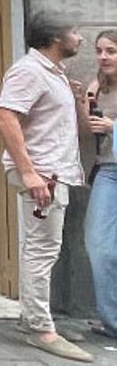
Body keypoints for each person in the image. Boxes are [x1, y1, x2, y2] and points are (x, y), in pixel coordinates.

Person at [0, 12, 93, 363]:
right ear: (55, 37)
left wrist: (78, 101)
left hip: (54, 172)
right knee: (41, 250)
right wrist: (30, 173)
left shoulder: (54, 73)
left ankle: (34, 317)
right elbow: (6, 116)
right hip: (44, 175)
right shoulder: (29, 71)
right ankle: (40, 328)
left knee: (41, 247)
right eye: (74, 31)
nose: (80, 39)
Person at [85, 30, 117, 341]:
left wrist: (113, 127)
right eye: (99, 50)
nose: (104, 56)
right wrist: (82, 98)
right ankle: (112, 319)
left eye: (112, 51)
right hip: (109, 170)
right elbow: (87, 126)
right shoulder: (99, 87)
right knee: (99, 245)